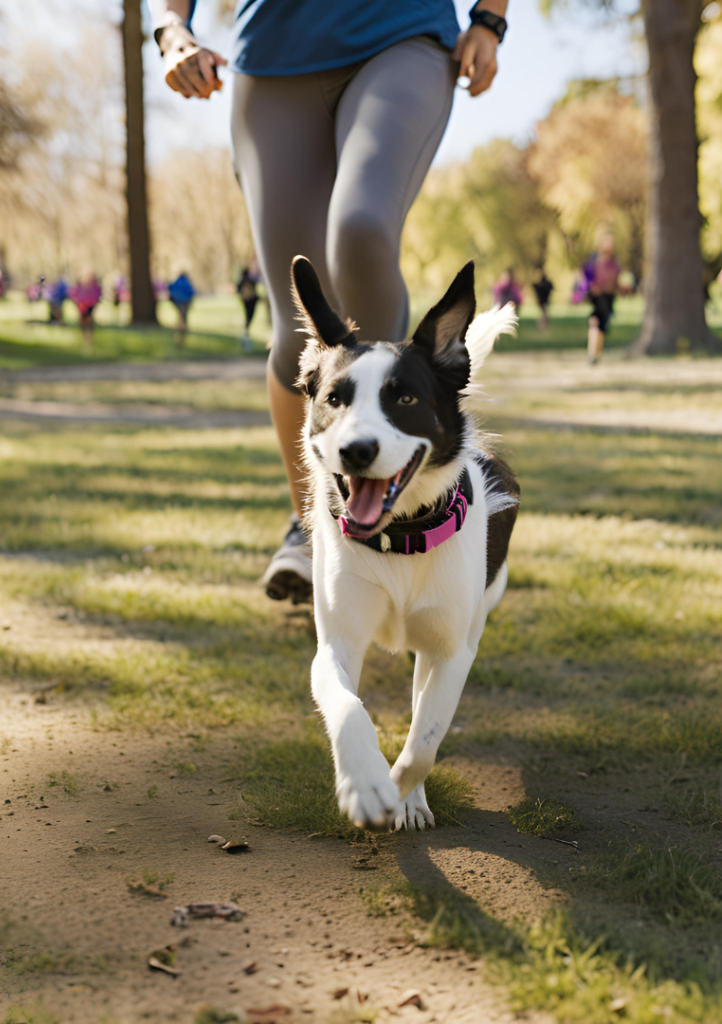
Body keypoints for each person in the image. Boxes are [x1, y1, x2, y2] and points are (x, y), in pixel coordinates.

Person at [152, 0, 508, 602]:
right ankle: (318, 526)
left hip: (402, 35)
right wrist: (172, 30)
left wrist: (490, 18)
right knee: (302, 332)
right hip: (271, 58)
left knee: (361, 232)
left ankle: (397, 499)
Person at [578, 232, 625, 365]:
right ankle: (591, 353)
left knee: (602, 328)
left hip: (608, 298)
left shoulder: (615, 265)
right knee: (594, 323)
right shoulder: (594, 263)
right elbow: (586, 280)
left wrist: (621, 290)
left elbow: (616, 283)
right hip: (597, 298)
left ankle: (596, 354)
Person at [71, 272, 102, 347]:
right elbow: (74, 294)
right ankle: (84, 340)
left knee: (88, 323)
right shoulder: (79, 287)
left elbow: (97, 296)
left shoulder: (94, 287)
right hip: (82, 307)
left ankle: (89, 341)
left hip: (89, 307)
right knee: (83, 323)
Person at [237, 260, 261, 351]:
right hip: (249, 301)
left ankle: (246, 335)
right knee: (249, 317)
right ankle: (246, 336)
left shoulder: (247, 280)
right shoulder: (249, 279)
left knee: (249, 317)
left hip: (249, 300)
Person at [167, 271, 196, 345]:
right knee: (183, 316)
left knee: (180, 316)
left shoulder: (177, 281)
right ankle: (182, 332)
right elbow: (192, 292)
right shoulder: (187, 283)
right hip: (185, 302)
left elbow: (170, 287)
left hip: (178, 302)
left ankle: (179, 332)